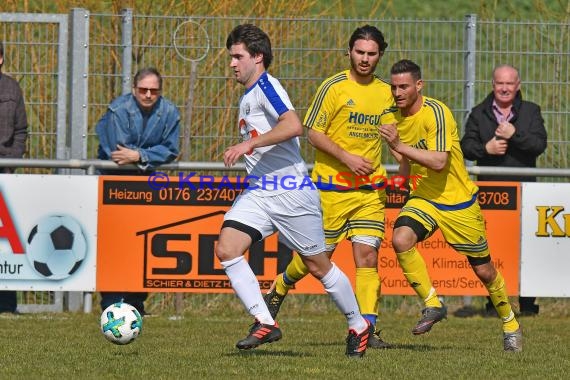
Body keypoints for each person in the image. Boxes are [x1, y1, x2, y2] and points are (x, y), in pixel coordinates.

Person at [216, 24, 371, 358]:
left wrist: (249, 145)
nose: (232, 63)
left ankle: (358, 324)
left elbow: (293, 125)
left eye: (238, 56)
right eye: (231, 57)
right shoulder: (248, 94)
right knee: (227, 248)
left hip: (291, 192)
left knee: (318, 267)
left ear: (257, 57)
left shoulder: (267, 87)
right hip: (260, 192)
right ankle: (265, 321)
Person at [263, 25, 394, 349]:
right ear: (349, 52)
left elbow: (394, 134)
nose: (365, 59)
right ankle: (280, 286)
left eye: (371, 53)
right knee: (317, 259)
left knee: (367, 256)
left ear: (380, 55)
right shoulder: (333, 87)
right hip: (331, 189)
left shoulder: (386, 93)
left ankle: (367, 329)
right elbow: (313, 133)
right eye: (360, 52)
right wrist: (347, 157)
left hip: (369, 191)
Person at [378, 59, 522, 352]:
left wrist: (400, 146)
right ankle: (433, 304)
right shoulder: (390, 116)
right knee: (400, 238)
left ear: (419, 85)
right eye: (393, 87)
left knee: (484, 271)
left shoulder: (437, 112)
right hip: (424, 197)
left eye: (403, 86)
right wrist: (401, 179)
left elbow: (439, 162)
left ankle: (510, 323)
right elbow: (405, 158)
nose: (397, 92)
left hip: (457, 203)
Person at [459, 64, 546, 317]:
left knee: (527, 248)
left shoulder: (531, 112)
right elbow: (465, 146)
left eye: (510, 83)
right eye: (500, 83)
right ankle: (493, 303)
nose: (505, 88)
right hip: (491, 194)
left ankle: (528, 305)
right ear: (492, 85)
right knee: (492, 249)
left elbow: (540, 144)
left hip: (525, 192)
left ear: (518, 85)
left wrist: (515, 134)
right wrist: (485, 149)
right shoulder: (479, 113)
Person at [96, 67, 180, 315]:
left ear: (160, 92)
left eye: (153, 91)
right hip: (115, 185)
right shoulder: (118, 110)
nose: (148, 95)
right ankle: (110, 304)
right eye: (143, 90)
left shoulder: (170, 112)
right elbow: (118, 151)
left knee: (144, 246)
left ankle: (136, 304)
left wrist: (140, 155)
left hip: (147, 186)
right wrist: (147, 156)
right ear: (134, 89)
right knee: (113, 246)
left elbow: (171, 149)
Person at [0, 41, 28, 314]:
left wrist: (11, 162)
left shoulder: (12, 88)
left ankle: (7, 305)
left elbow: (21, 130)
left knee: (6, 245)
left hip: (4, 174)